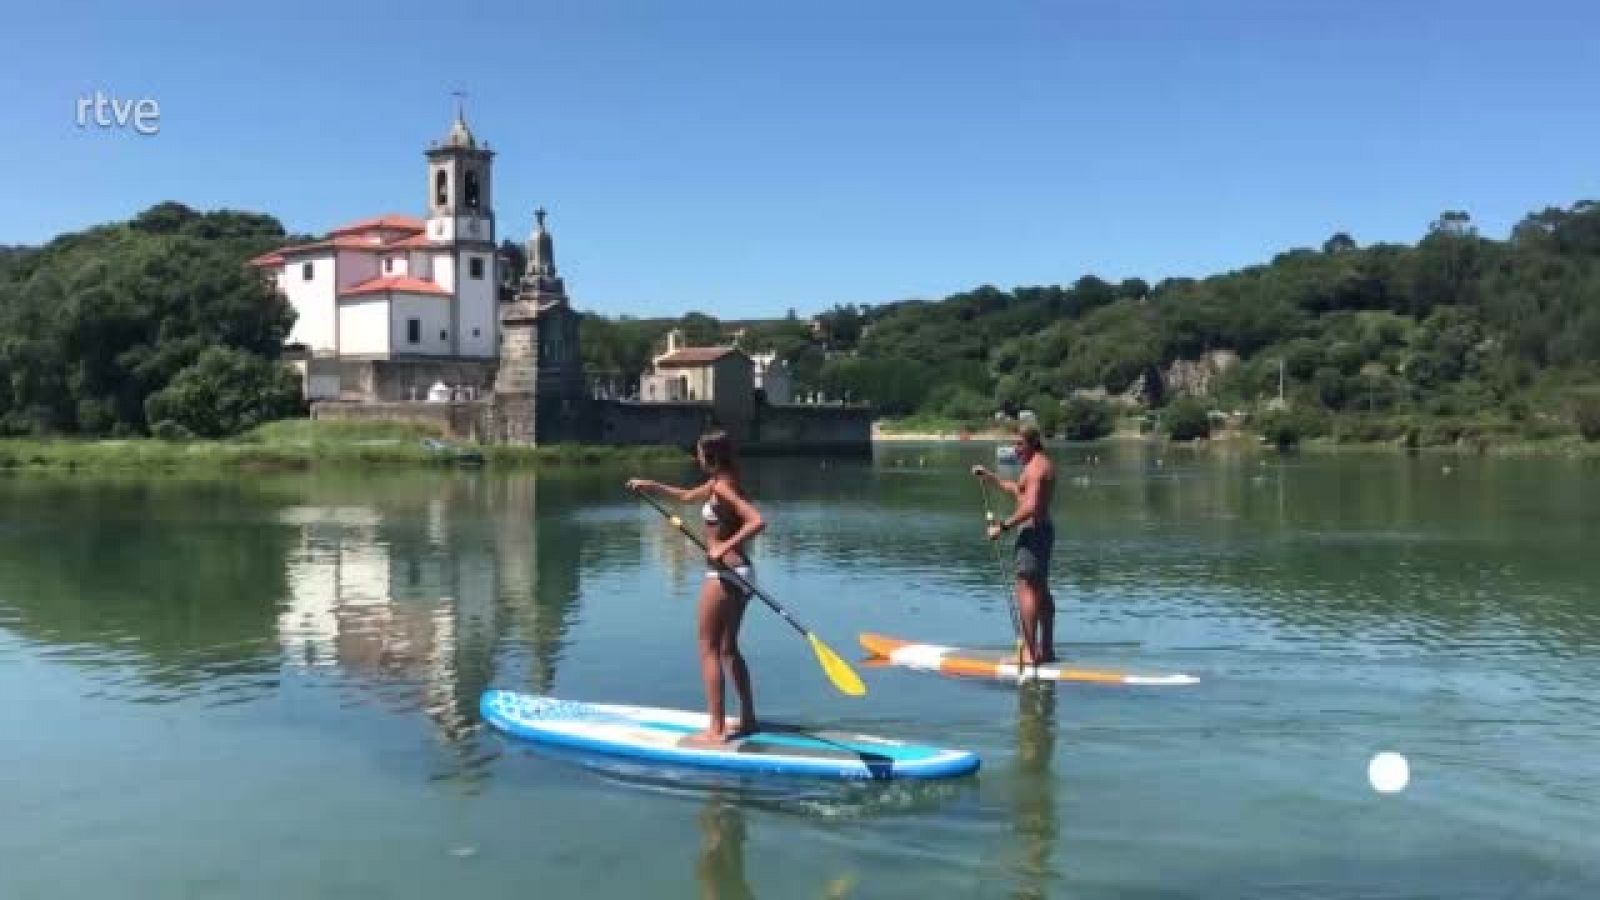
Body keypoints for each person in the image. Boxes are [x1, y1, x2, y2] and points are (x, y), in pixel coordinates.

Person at [627, 430, 765, 744]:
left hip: (725, 575)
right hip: (740, 573)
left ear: (712, 456)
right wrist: (650, 486)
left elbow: (757, 521)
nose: (697, 457)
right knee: (728, 649)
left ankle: (716, 729)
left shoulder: (723, 488)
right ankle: (748, 719)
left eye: (700, 453)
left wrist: (722, 547)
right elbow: (686, 497)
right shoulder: (722, 482)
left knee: (708, 648)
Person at [971, 423, 1057, 664]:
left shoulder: (1037, 469)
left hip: (1033, 534)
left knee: (1026, 589)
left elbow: (1030, 506)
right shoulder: (1036, 465)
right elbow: (1020, 491)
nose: (1015, 449)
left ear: (1031, 443)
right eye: (1015, 444)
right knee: (1040, 589)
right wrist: (990, 478)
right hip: (1041, 533)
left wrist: (1003, 527)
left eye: (1019, 444)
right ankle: (1046, 651)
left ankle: (1031, 654)